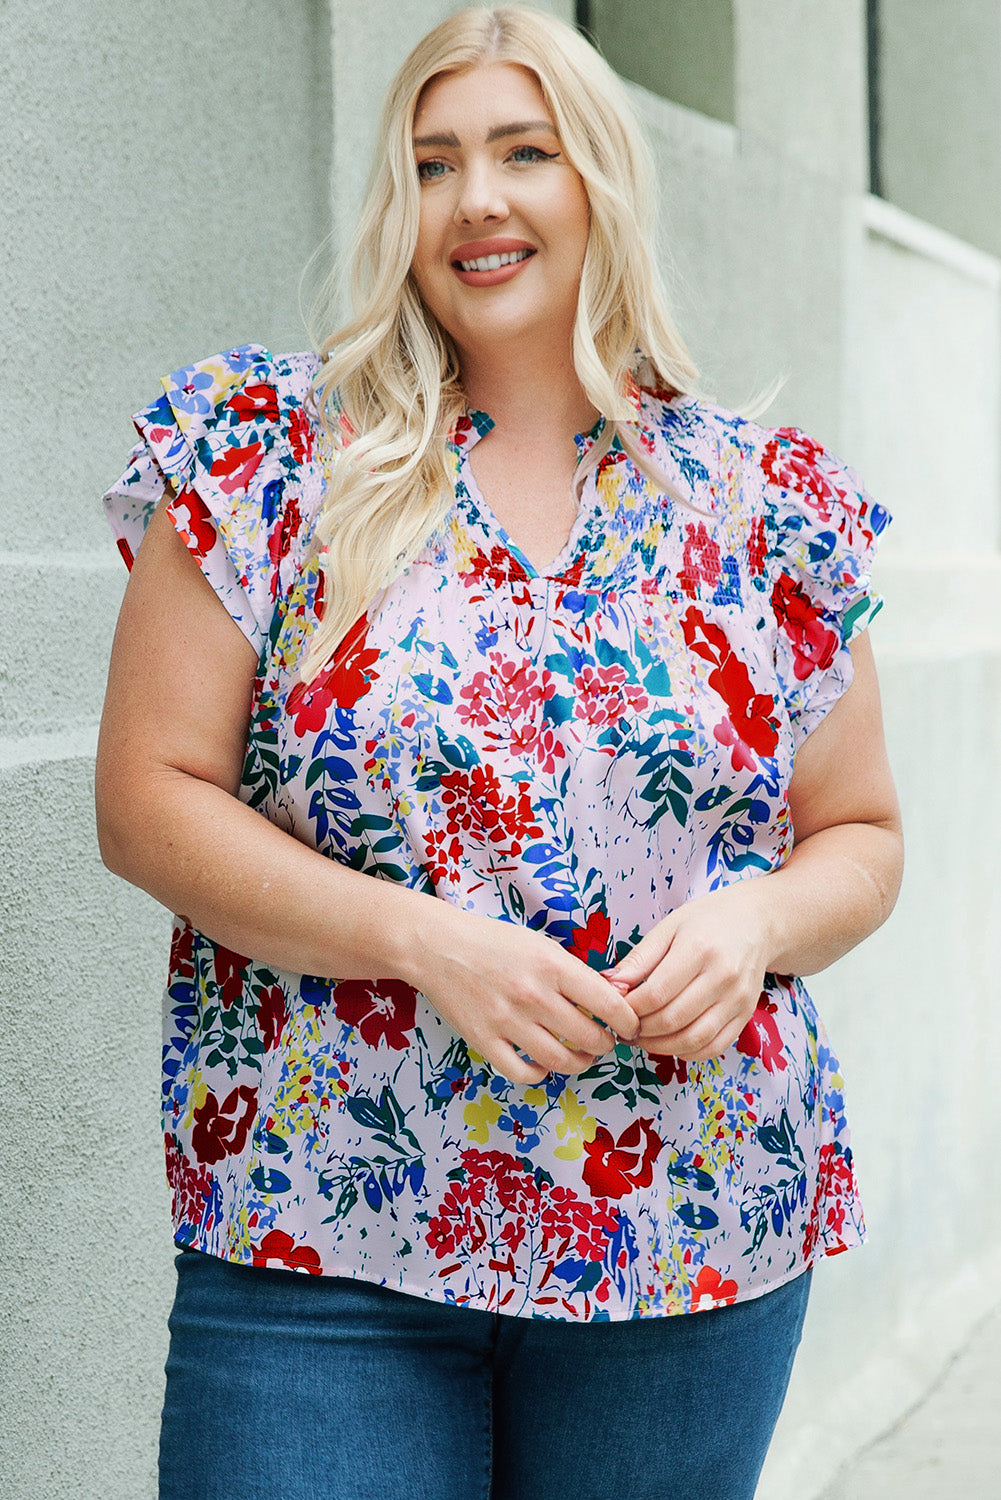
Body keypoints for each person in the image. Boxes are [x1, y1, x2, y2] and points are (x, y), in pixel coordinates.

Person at [97, 7, 903, 1498]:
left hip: (688, 1229)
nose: (476, 198)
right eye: (432, 161)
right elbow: (149, 803)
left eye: (523, 152)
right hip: (322, 1229)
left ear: (599, 180)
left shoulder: (765, 502)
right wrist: (417, 941)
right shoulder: (266, 452)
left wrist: (752, 921)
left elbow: (857, 834)